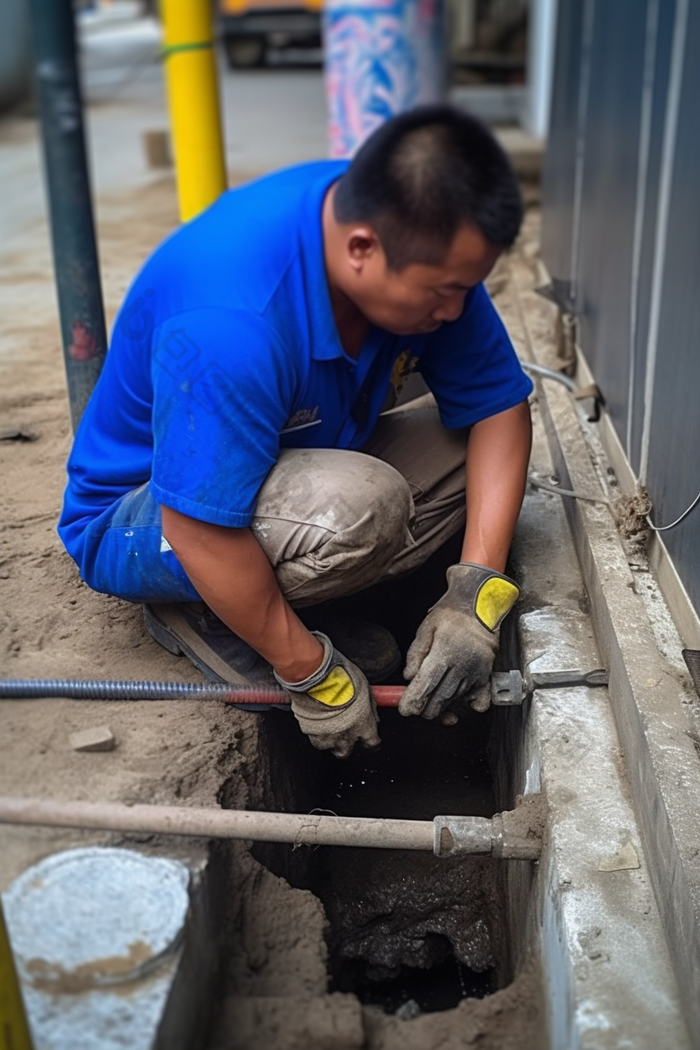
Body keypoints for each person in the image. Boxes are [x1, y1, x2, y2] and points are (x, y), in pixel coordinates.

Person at [58, 105, 533, 759]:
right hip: (151, 516)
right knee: (365, 505)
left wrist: (475, 594)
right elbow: (198, 526)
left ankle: (281, 605)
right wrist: (314, 674)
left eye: (466, 289)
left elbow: (498, 410)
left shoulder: (412, 228)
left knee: (463, 455)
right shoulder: (232, 320)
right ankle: (203, 615)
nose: (456, 311)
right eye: (443, 293)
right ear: (362, 249)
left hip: (278, 464)